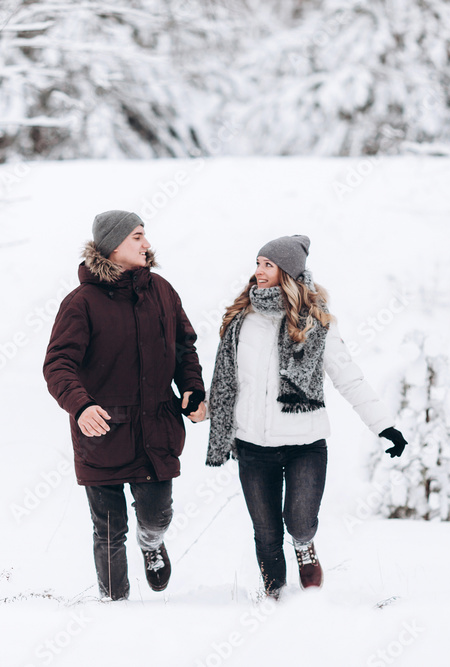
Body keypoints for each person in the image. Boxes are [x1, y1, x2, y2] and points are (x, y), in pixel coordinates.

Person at [205, 235, 408, 598]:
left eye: (268, 264)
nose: (258, 272)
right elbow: (227, 382)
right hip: (252, 446)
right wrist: (199, 407)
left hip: (304, 444)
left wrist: (385, 426)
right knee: (266, 532)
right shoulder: (241, 320)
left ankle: (304, 546)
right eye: (258, 263)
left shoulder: (316, 323)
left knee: (299, 521)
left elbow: (349, 376)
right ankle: (277, 599)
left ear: (288, 272)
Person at [44, 210, 207, 601]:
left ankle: (151, 544)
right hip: (101, 432)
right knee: (108, 529)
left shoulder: (162, 291)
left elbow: (185, 347)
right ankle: (114, 605)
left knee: (157, 515)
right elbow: (58, 364)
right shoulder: (81, 303)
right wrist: (81, 407)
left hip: (157, 429)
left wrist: (193, 388)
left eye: (144, 236)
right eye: (137, 237)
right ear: (114, 245)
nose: (147, 244)